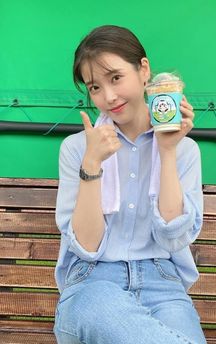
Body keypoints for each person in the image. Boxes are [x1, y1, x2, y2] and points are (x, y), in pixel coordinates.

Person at [53, 25, 207, 344]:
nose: (108, 97)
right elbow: (87, 246)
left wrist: (166, 151)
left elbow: (173, 237)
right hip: (92, 284)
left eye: (116, 78)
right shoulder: (77, 148)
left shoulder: (185, 150)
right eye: (95, 87)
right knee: (97, 309)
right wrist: (92, 165)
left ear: (143, 69)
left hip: (162, 285)